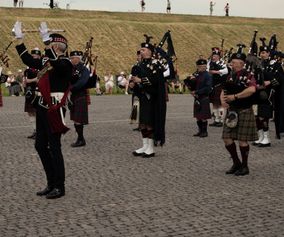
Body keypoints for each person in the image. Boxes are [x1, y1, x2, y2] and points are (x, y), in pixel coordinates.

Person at [14, 21, 73, 198]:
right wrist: (19, 40)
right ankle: (51, 182)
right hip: (41, 106)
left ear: (56, 46)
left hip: (54, 108)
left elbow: (57, 65)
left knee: (55, 147)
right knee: (40, 145)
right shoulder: (49, 62)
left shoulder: (65, 63)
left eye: (49, 44)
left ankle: (59, 186)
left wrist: (46, 44)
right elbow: (28, 60)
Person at [221, 50, 257, 176]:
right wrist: (223, 100)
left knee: (242, 140)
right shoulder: (230, 75)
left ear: (241, 63)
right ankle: (236, 163)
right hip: (231, 111)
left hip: (244, 110)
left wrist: (235, 97)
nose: (232, 64)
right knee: (227, 138)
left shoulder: (248, 75)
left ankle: (245, 166)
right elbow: (224, 89)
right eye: (232, 62)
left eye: (235, 63)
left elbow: (252, 89)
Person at [131, 36, 167, 158]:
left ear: (150, 52)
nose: (142, 51)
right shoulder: (139, 64)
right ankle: (144, 145)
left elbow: (157, 80)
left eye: (144, 50)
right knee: (142, 123)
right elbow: (135, 78)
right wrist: (133, 83)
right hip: (141, 96)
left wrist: (140, 80)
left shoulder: (156, 64)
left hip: (151, 97)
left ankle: (151, 148)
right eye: (141, 50)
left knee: (149, 122)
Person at [252, 44, 274, 147]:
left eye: (264, 53)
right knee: (257, 116)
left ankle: (266, 138)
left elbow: (280, 78)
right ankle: (260, 136)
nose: (262, 54)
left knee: (263, 116)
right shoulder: (258, 64)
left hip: (267, 94)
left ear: (269, 53)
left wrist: (270, 82)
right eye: (261, 53)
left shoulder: (275, 64)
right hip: (257, 92)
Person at [69, 50, 89, 147]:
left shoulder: (84, 69)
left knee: (78, 119)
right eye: (71, 58)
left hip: (81, 95)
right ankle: (80, 138)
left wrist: (71, 88)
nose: (71, 60)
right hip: (72, 96)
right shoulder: (70, 69)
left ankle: (81, 139)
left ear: (78, 58)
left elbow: (83, 82)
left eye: (73, 58)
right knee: (74, 118)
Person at [190, 59, 212, 138]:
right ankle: (200, 131)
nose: (202, 68)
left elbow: (208, 88)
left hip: (204, 97)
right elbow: (192, 84)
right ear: (197, 67)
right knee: (198, 116)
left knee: (203, 116)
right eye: (200, 66)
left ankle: (204, 132)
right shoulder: (196, 74)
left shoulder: (208, 75)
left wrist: (197, 92)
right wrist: (192, 90)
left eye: (204, 66)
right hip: (197, 97)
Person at [23, 48, 41, 139]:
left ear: (39, 56)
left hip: (38, 91)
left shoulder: (42, 66)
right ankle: (35, 131)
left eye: (36, 56)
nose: (34, 57)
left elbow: (40, 79)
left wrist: (30, 80)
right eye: (33, 56)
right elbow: (25, 80)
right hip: (29, 92)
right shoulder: (28, 68)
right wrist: (26, 82)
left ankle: (39, 132)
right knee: (30, 112)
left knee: (37, 112)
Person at [208, 47, 228, 127]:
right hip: (212, 85)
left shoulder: (222, 63)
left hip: (219, 85)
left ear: (219, 56)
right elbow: (207, 70)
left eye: (216, 55)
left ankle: (221, 120)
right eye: (213, 55)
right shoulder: (210, 63)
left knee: (219, 103)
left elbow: (225, 71)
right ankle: (216, 119)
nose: (214, 57)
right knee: (214, 103)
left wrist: (215, 72)